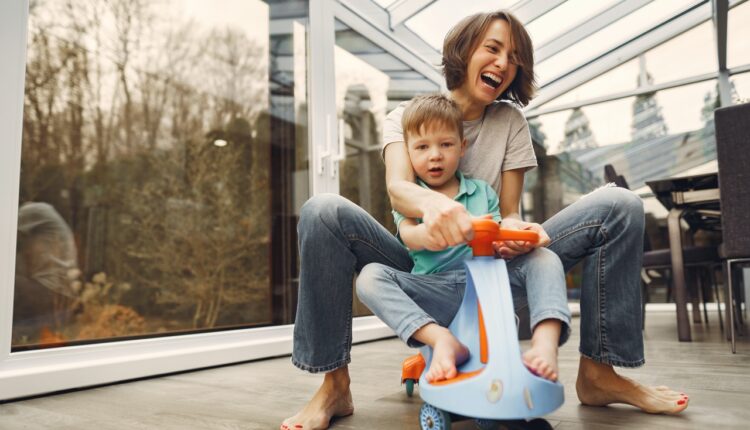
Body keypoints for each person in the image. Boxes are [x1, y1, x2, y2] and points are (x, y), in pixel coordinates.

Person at [282, 9, 688, 430]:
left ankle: (600, 374)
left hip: (490, 267)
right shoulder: (404, 117)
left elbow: (509, 211)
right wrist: (436, 209)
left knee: (621, 204)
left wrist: (514, 234)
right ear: (463, 51)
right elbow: (399, 189)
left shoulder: (510, 121)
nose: (502, 63)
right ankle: (334, 386)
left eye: (513, 58)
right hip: (419, 260)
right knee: (322, 211)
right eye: (492, 49)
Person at [355, 93, 570, 384]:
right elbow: (408, 235)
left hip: (485, 285)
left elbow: (497, 235)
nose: (435, 155)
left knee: (545, 258)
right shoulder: (411, 197)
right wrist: (427, 234)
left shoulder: (483, 192)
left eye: (445, 144)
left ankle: (544, 345)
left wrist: (513, 241)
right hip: (432, 289)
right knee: (369, 277)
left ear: (462, 147)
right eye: (422, 147)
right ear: (408, 152)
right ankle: (440, 339)